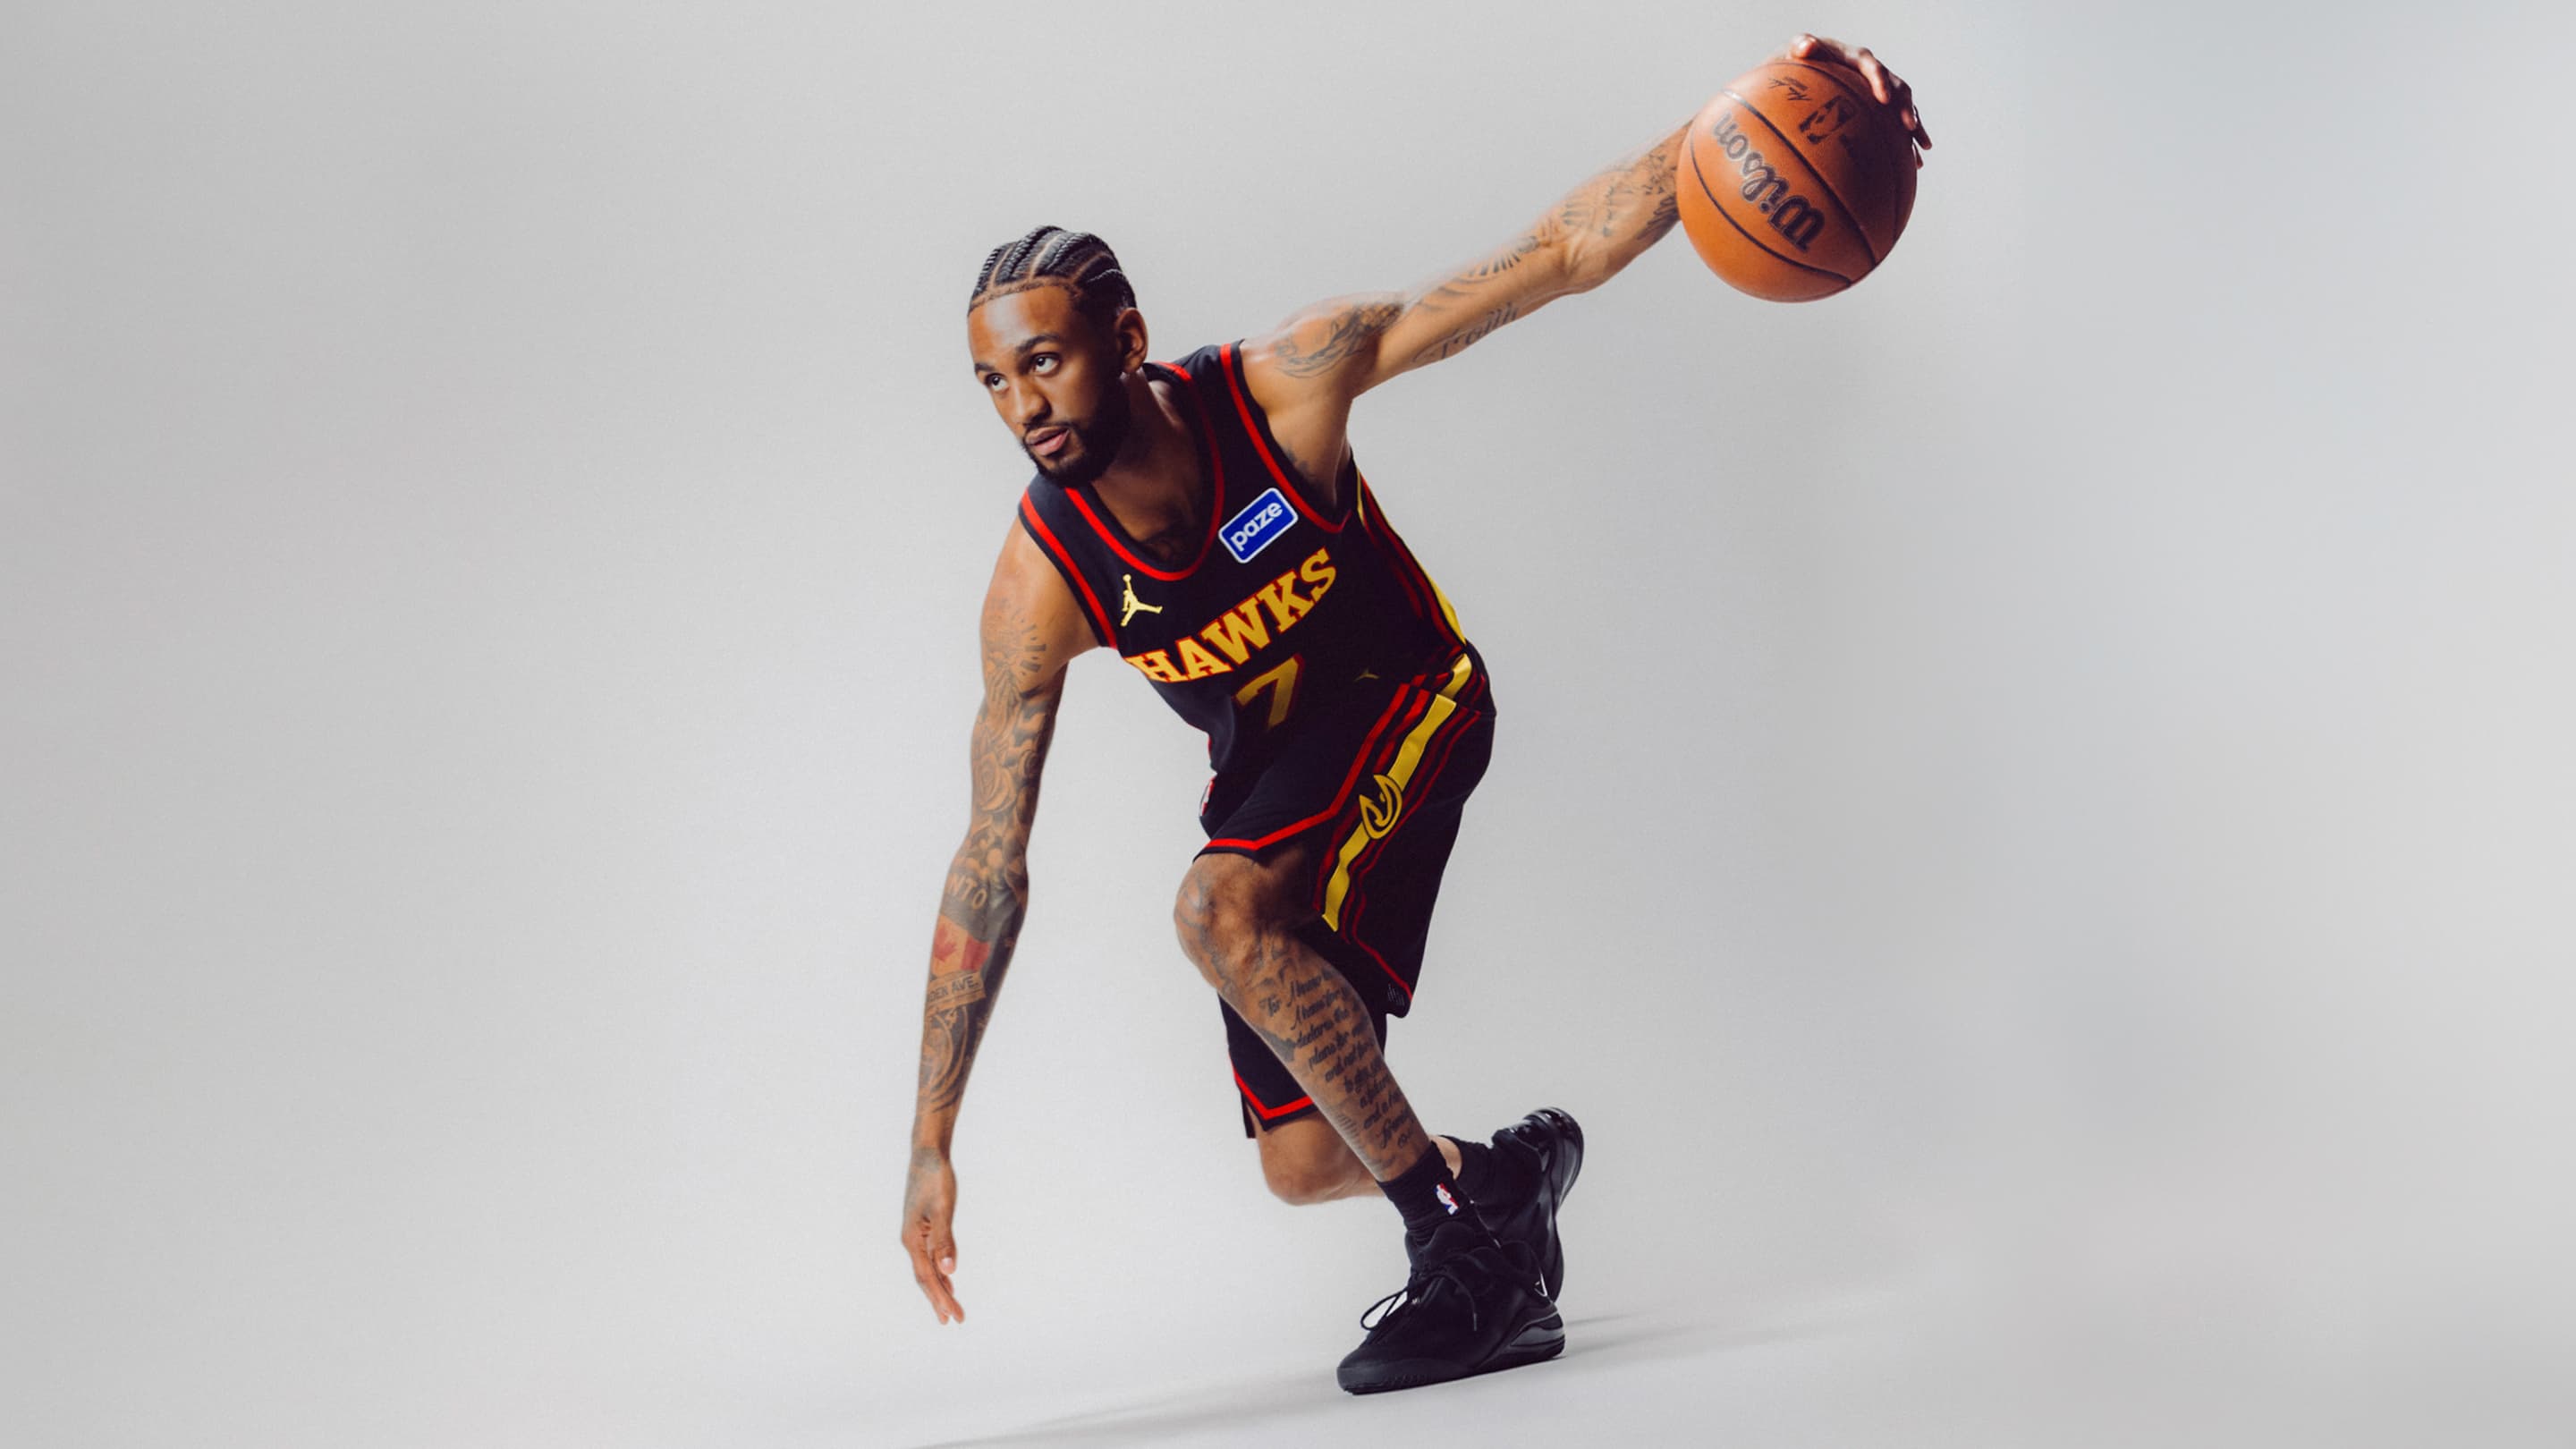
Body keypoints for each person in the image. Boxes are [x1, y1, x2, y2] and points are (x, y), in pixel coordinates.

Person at [900, 34, 1928, 1394]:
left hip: (1414, 694)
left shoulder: (1284, 386)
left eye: (1044, 362)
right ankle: (1500, 1185)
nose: (1024, 406)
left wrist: (1735, 129)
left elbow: (1556, 255)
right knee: (1303, 1159)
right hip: (1274, 778)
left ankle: (1466, 1265)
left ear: (1127, 341)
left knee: (1215, 912)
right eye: (995, 382)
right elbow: (990, 861)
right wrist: (932, 1138)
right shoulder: (1040, 584)